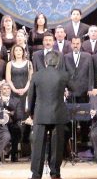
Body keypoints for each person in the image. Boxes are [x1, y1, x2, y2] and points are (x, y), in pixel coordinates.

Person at [28, 51, 71, 179]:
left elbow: (31, 96)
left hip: (40, 114)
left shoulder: (36, 75)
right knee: (57, 146)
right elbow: (74, 88)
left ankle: (36, 174)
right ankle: (55, 173)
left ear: (45, 62)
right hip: (58, 114)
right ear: (57, 62)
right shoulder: (63, 75)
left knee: (38, 146)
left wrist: (30, 113)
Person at [0, 83, 23, 162]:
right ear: (1, 90)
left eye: (8, 88)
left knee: (15, 130)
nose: (6, 90)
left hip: (12, 123)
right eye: (4, 89)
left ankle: (14, 154)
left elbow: (19, 115)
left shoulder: (16, 100)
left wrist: (9, 111)